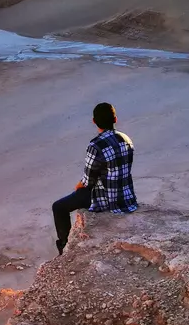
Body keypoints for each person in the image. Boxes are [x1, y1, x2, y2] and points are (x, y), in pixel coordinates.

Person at [51, 102, 137, 255]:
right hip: (126, 197)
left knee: (59, 207)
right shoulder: (126, 138)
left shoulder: (96, 145)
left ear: (94, 121)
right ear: (115, 119)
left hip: (104, 198)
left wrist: (79, 185)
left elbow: (89, 180)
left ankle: (64, 248)